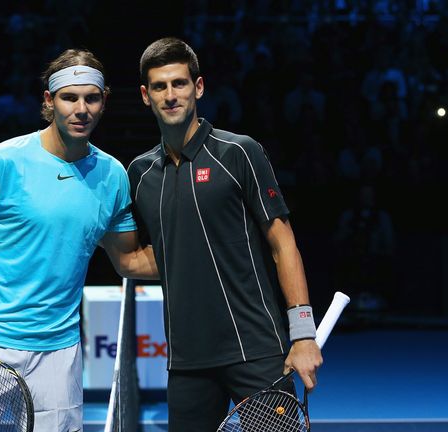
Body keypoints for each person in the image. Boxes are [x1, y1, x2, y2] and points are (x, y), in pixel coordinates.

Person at [0, 48, 158, 432]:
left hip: (58, 357)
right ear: (50, 100)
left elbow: (128, 259)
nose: (81, 109)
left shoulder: (113, 176)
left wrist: (199, 259)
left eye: (92, 98)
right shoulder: (3, 161)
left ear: (104, 101)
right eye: (69, 97)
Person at [127, 37, 322, 431]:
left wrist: (302, 334)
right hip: (186, 362)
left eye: (179, 84)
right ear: (146, 96)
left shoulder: (239, 153)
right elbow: (153, 256)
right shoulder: (140, 174)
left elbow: (283, 244)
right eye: (160, 87)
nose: (171, 95)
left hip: (256, 348)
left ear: (198, 87)